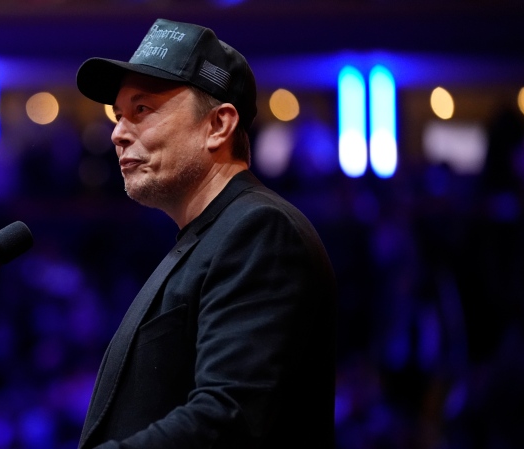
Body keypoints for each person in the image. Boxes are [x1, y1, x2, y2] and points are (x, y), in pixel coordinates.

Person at [75, 18, 337, 448]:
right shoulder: (213, 233)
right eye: (119, 115)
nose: (118, 133)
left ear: (218, 125)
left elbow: (228, 417)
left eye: (141, 110)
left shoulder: (260, 230)